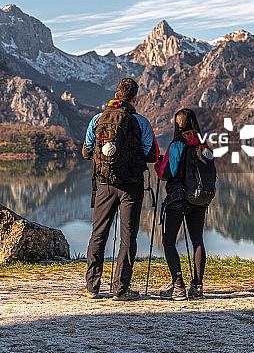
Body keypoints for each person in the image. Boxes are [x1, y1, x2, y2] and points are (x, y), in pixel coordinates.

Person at [82, 77, 159, 301]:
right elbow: (152, 155)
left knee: (98, 233)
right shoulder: (141, 122)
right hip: (131, 186)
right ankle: (120, 289)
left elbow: (87, 152)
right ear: (134, 98)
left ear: (116, 95)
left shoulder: (97, 120)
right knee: (128, 236)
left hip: (104, 184)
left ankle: (92, 287)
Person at [154, 108, 210, 300]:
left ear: (178, 124)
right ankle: (198, 287)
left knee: (169, 241)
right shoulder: (204, 145)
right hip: (199, 198)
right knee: (197, 241)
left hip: (178, 198)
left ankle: (178, 286)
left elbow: (166, 174)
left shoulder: (177, 144)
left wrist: (158, 166)